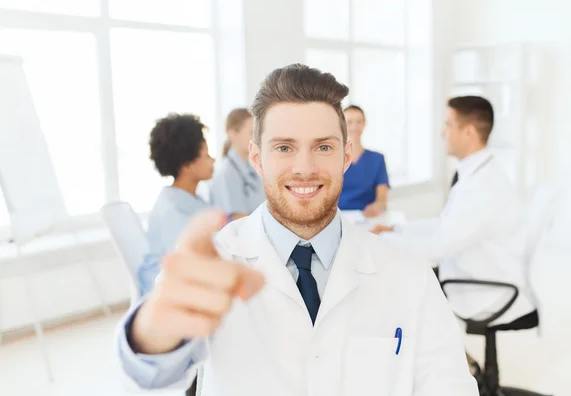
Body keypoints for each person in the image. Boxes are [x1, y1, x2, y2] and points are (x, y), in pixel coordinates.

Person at [116, 65, 478, 396]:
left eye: (323, 147)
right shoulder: (219, 262)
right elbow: (151, 374)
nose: (304, 168)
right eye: (285, 148)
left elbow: (451, 386)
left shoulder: (410, 277)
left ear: (346, 155)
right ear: (257, 158)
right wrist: (152, 332)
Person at [372, 96, 536, 326]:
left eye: (448, 124)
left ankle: (430, 358)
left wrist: (383, 240)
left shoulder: (483, 187)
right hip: (474, 271)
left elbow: (438, 247)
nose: (442, 133)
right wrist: (396, 229)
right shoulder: (476, 174)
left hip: (483, 288)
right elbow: (445, 223)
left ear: (468, 132)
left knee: (392, 285)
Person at [137, 113, 215, 297]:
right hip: (168, 292)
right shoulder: (174, 210)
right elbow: (190, 267)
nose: (213, 161)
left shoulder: (189, 197)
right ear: (186, 165)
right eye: (206, 155)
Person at [209, 108, 266, 216]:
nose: (257, 138)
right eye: (252, 132)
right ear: (232, 134)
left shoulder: (251, 168)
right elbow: (238, 220)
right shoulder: (226, 173)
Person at [338, 105, 389, 217]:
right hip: (338, 220)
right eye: (349, 122)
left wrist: (377, 207)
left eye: (359, 122)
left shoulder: (377, 159)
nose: (354, 127)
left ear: (364, 124)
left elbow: (382, 199)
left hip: (367, 219)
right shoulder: (333, 159)